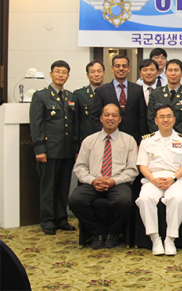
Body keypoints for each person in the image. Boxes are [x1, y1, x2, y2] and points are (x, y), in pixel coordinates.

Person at [69, 103, 138, 249]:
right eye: (106, 115)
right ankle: (97, 232)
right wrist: (93, 181)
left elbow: (132, 170)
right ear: (101, 118)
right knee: (74, 199)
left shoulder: (129, 140)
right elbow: (80, 167)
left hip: (118, 183)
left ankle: (113, 233)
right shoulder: (89, 141)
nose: (110, 118)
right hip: (93, 182)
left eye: (114, 115)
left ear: (120, 119)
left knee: (123, 201)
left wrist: (114, 181)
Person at [136, 104, 182, 256]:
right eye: (161, 117)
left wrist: (173, 179)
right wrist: (153, 180)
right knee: (144, 199)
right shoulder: (147, 141)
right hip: (152, 178)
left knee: (177, 199)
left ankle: (170, 239)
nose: (165, 120)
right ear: (156, 120)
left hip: (175, 178)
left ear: (174, 119)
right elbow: (142, 165)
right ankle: (155, 238)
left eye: (169, 116)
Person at [29, 60, 79, 235]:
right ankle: (47, 220)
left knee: (63, 187)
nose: (60, 75)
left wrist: (75, 149)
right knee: (48, 188)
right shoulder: (40, 96)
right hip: (49, 151)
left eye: (64, 72)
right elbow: (36, 125)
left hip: (66, 151)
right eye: (57, 72)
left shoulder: (70, 97)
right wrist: (39, 149)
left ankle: (61, 218)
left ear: (68, 76)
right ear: (51, 74)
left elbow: (72, 125)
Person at [91, 54, 148, 145]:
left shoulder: (137, 89)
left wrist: (142, 141)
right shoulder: (102, 91)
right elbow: (95, 116)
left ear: (128, 69)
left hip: (133, 140)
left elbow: (142, 117)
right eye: (117, 66)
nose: (121, 68)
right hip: (108, 139)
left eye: (124, 66)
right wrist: (104, 135)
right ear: (112, 68)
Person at [147, 59, 182, 135]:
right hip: (159, 138)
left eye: (176, 70)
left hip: (181, 138)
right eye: (170, 70)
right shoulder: (155, 93)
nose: (173, 73)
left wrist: (173, 134)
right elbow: (150, 118)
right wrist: (162, 133)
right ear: (165, 73)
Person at [74, 60, 105, 143]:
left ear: (104, 74)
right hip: (86, 140)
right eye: (92, 72)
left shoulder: (110, 92)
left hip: (107, 139)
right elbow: (76, 122)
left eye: (99, 71)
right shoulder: (79, 94)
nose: (96, 74)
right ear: (88, 75)